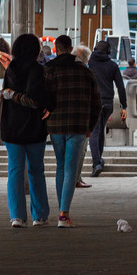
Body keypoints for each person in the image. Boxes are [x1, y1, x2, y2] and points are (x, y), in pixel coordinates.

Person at [44, 34, 101, 228]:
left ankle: (62, 211)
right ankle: (63, 214)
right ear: (70, 49)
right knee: (70, 169)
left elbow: (42, 98)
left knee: (61, 167)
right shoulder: (85, 72)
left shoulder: (49, 70)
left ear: (56, 48)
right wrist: (90, 127)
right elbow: (97, 103)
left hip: (56, 126)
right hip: (78, 126)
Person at [0, 33, 53, 228]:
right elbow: (38, 99)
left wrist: (11, 95)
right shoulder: (38, 70)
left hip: (12, 128)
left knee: (14, 171)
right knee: (36, 171)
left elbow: (6, 94)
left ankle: (17, 216)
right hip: (34, 128)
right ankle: (40, 216)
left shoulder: (10, 69)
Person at [88, 39, 128, 177]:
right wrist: (124, 106)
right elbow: (121, 87)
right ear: (109, 52)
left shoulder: (90, 64)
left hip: (93, 102)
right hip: (107, 103)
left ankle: (96, 163)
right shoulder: (112, 66)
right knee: (100, 131)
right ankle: (99, 159)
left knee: (94, 131)